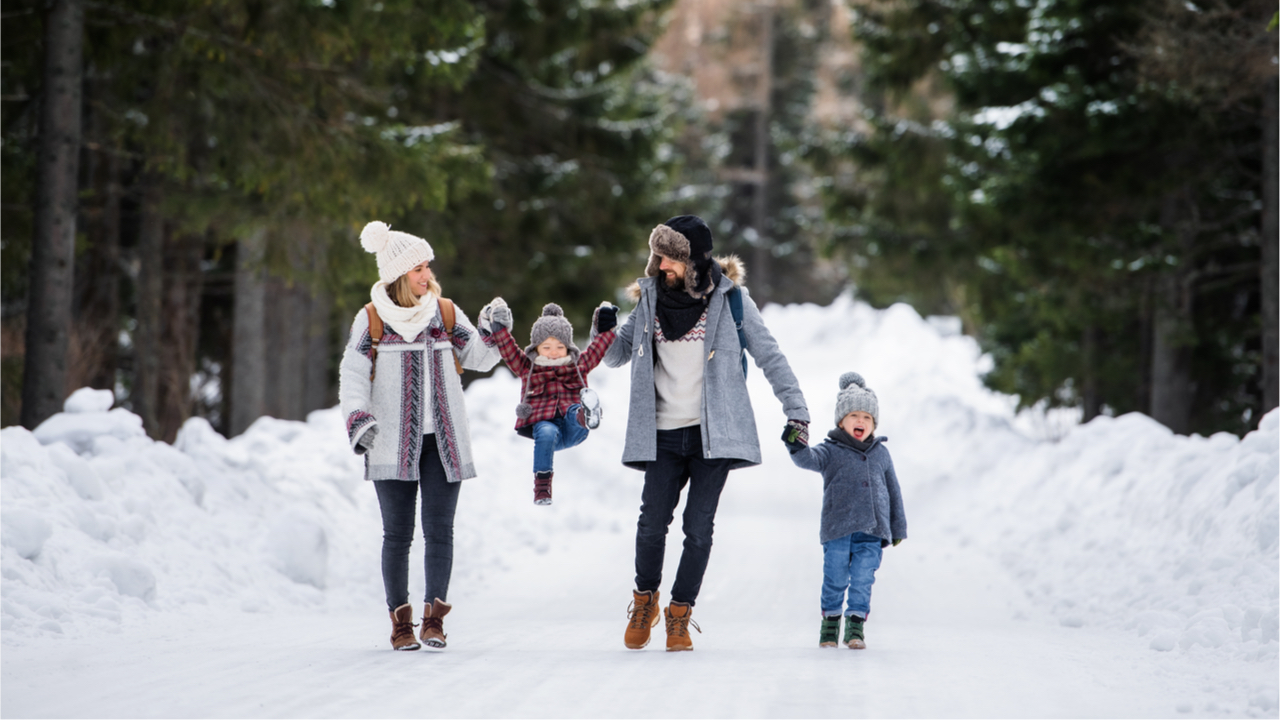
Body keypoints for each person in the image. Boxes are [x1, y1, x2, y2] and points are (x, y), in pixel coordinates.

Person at [603, 214, 810, 651]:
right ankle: (645, 601)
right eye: (658, 257)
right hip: (660, 432)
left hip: (711, 435)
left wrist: (797, 411)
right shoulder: (649, 299)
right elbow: (615, 355)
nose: (661, 267)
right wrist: (601, 330)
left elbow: (771, 357)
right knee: (651, 524)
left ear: (693, 261)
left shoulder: (733, 302)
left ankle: (680, 614)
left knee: (698, 529)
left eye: (670, 259)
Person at [338, 220, 501, 652]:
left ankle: (434, 622)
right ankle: (400, 624)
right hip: (390, 442)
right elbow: (353, 375)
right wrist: (358, 420)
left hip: (442, 442)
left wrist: (495, 328)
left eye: (427, 267)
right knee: (397, 535)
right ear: (397, 274)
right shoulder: (371, 320)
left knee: (440, 532)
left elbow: (480, 358)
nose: (426, 275)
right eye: (418, 269)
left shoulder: (444, 313)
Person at [783, 371, 907, 649]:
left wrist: (898, 527)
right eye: (854, 416)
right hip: (838, 529)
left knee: (863, 579)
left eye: (867, 417)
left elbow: (893, 491)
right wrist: (795, 444)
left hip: (873, 531)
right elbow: (807, 459)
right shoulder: (830, 451)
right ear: (841, 421)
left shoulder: (881, 453)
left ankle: (855, 628)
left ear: (874, 424)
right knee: (835, 578)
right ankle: (829, 625)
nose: (860, 421)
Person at [480, 299, 619, 504]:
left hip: (573, 429)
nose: (554, 352)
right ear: (537, 348)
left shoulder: (577, 366)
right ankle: (542, 488)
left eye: (560, 347)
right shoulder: (528, 368)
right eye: (547, 347)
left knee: (574, 412)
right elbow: (508, 349)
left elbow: (597, 348)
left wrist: (607, 326)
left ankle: (586, 415)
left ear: (568, 347)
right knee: (546, 430)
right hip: (545, 432)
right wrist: (498, 325)